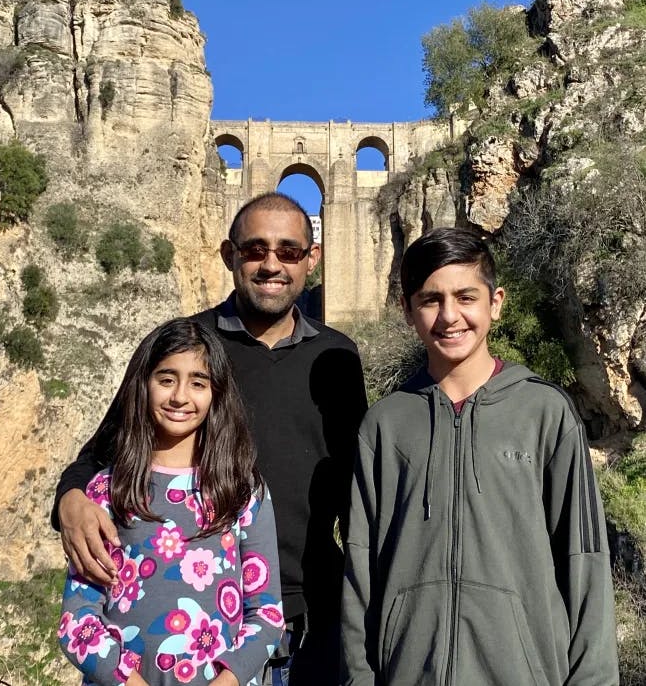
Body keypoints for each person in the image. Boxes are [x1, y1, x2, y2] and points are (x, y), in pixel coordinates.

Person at [53, 193, 368, 686]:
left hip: (313, 624)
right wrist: (69, 501)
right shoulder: (184, 348)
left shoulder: (338, 357)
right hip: (194, 638)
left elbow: (356, 486)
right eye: (254, 249)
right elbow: (103, 451)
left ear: (312, 259)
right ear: (229, 255)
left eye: (289, 251)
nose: (271, 265)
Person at [340, 227, 619, 686]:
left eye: (465, 296)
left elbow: (584, 558)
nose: (450, 316)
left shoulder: (544, 412)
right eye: (431, 299)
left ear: (496, 302)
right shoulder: (385, 425)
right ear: (409, 311)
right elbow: (359, 570)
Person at [58, 317, 284, 685]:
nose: (180, 396)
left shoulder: (242, 492)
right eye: (166, 380)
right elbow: (77, 623)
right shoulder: (106, 491)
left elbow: (267, 615)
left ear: (217, 394)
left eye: (198, 383)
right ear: (142, 385)